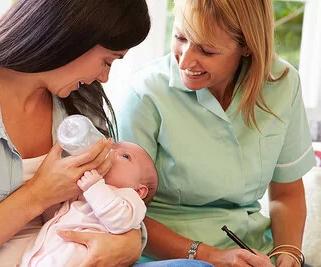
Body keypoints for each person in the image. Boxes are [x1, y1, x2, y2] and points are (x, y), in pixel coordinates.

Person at [0, 0, 152, 266]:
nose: (104, 77)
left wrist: (130, 243)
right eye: (107, 61)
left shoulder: (83, 102)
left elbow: (117, 199)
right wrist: (38, 194)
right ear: (74, 35)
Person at [115, 0, 314, 266]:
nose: (185, 60)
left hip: (254, 250)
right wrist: (211, 256)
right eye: (180, 37)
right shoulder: (144, 93)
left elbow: (286, 193)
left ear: (246, 46)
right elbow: (119, 211)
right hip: (166, 256)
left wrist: (287, 254)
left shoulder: (282, 84)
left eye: (206, 50)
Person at [19, 141, 158, 267]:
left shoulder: (129, 198)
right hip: (49, 251)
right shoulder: (84, 191)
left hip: (82, 255)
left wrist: (94, 186)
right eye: (112, 147)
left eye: (126, 156)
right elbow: (56, 215)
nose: (110, 152)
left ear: (139, 190)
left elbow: (120, 222)